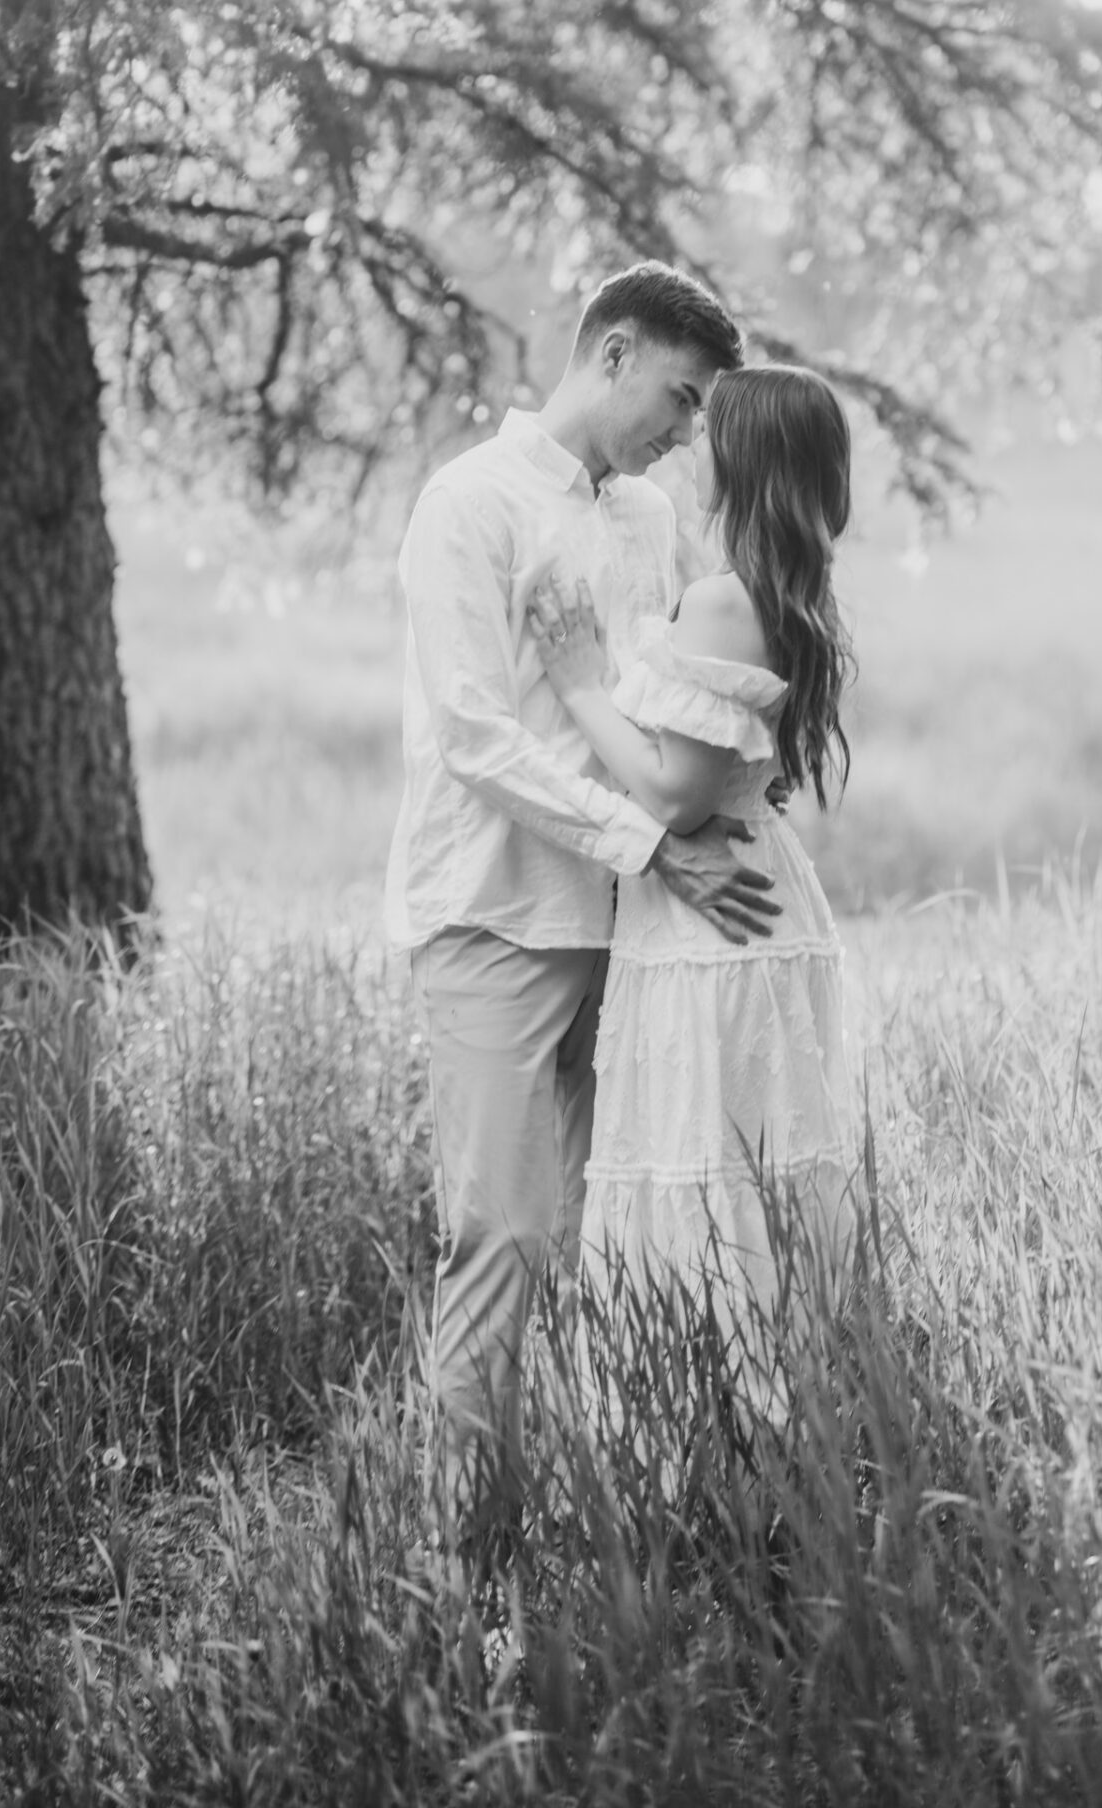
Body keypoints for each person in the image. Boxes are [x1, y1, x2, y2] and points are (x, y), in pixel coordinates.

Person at [384, 262, 781, 1511]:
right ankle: (466, 1577)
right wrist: (651, 845)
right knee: (501, 1236)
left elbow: (672, 717)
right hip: (496, 916)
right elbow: (473, 735)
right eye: (676, 396)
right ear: (611, 354)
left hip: (633, 932)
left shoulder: (651, 524)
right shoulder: (470, 504)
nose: (684, 433)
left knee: (625, 1242)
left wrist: (705, 833)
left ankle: (617, 1527)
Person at [527, 361, 860, 1341]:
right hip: (762, 892)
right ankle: (777, 1413)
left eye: (708, 431)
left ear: (747, 459)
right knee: (746, 1165)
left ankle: (709, 1425)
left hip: (713, 923)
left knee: (707, 1166)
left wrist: (585, 684)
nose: (688, 445)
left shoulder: (723, 599)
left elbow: (676, 797)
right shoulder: (789, 593)